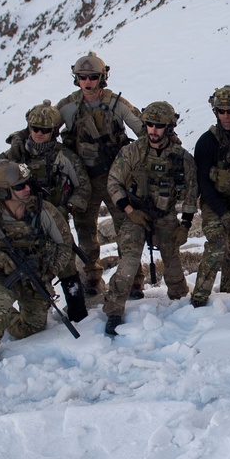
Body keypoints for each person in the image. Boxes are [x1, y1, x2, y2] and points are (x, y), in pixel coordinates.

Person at [0, 162, 76, 361]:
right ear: (4, 192)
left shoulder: (43, 210)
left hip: (35, 274)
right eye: (19, 186)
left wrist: (48, 274)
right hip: (4, 276)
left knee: (32, 328)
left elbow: (65, 245)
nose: (27, 189)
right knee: (1, 301)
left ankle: (8, 317)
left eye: (27, 184)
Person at [103, 102, 198, 334]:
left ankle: (178, 302)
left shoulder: (181, 158)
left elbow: (191, 192)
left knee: (173, 263)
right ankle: (114, 309)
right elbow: (113, 182)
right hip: (135, 215)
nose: (153, 130)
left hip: (165, 216)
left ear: (169, 127)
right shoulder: (132, 151)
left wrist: (185, 224)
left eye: (159, 126)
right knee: (129, 261)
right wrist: (129, 211)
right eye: (149, 125)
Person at [57, 52, 145, 297]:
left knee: (126, 230)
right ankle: (93, 277)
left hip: (116, 179)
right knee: (85, 231)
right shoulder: (68, 106)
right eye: (82, 77)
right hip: (84, 180)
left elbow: (143, 132)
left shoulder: (117, 104)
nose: (87, 82)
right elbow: (42, 129)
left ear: (102, 77)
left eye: (92, 77)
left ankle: (134, 280)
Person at [0, 99, 91, 321]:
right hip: (21, 217)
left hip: (53, 214)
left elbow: (83, 186)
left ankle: (77, 310)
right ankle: (33, 307)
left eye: (44, 130)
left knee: (65, 259)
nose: (38, 133)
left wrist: (67, 206)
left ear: (53, 132)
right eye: (34, 129)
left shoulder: (63, 156)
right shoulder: (16, 154)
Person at [191, 86, 230, 308]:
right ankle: (199, 297)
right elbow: (204, 183)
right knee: (217, 244)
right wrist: (221, 211)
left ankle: (227, 292)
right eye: (221, 111)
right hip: (214, 201)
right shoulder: (207, 141)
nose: (226, 116)